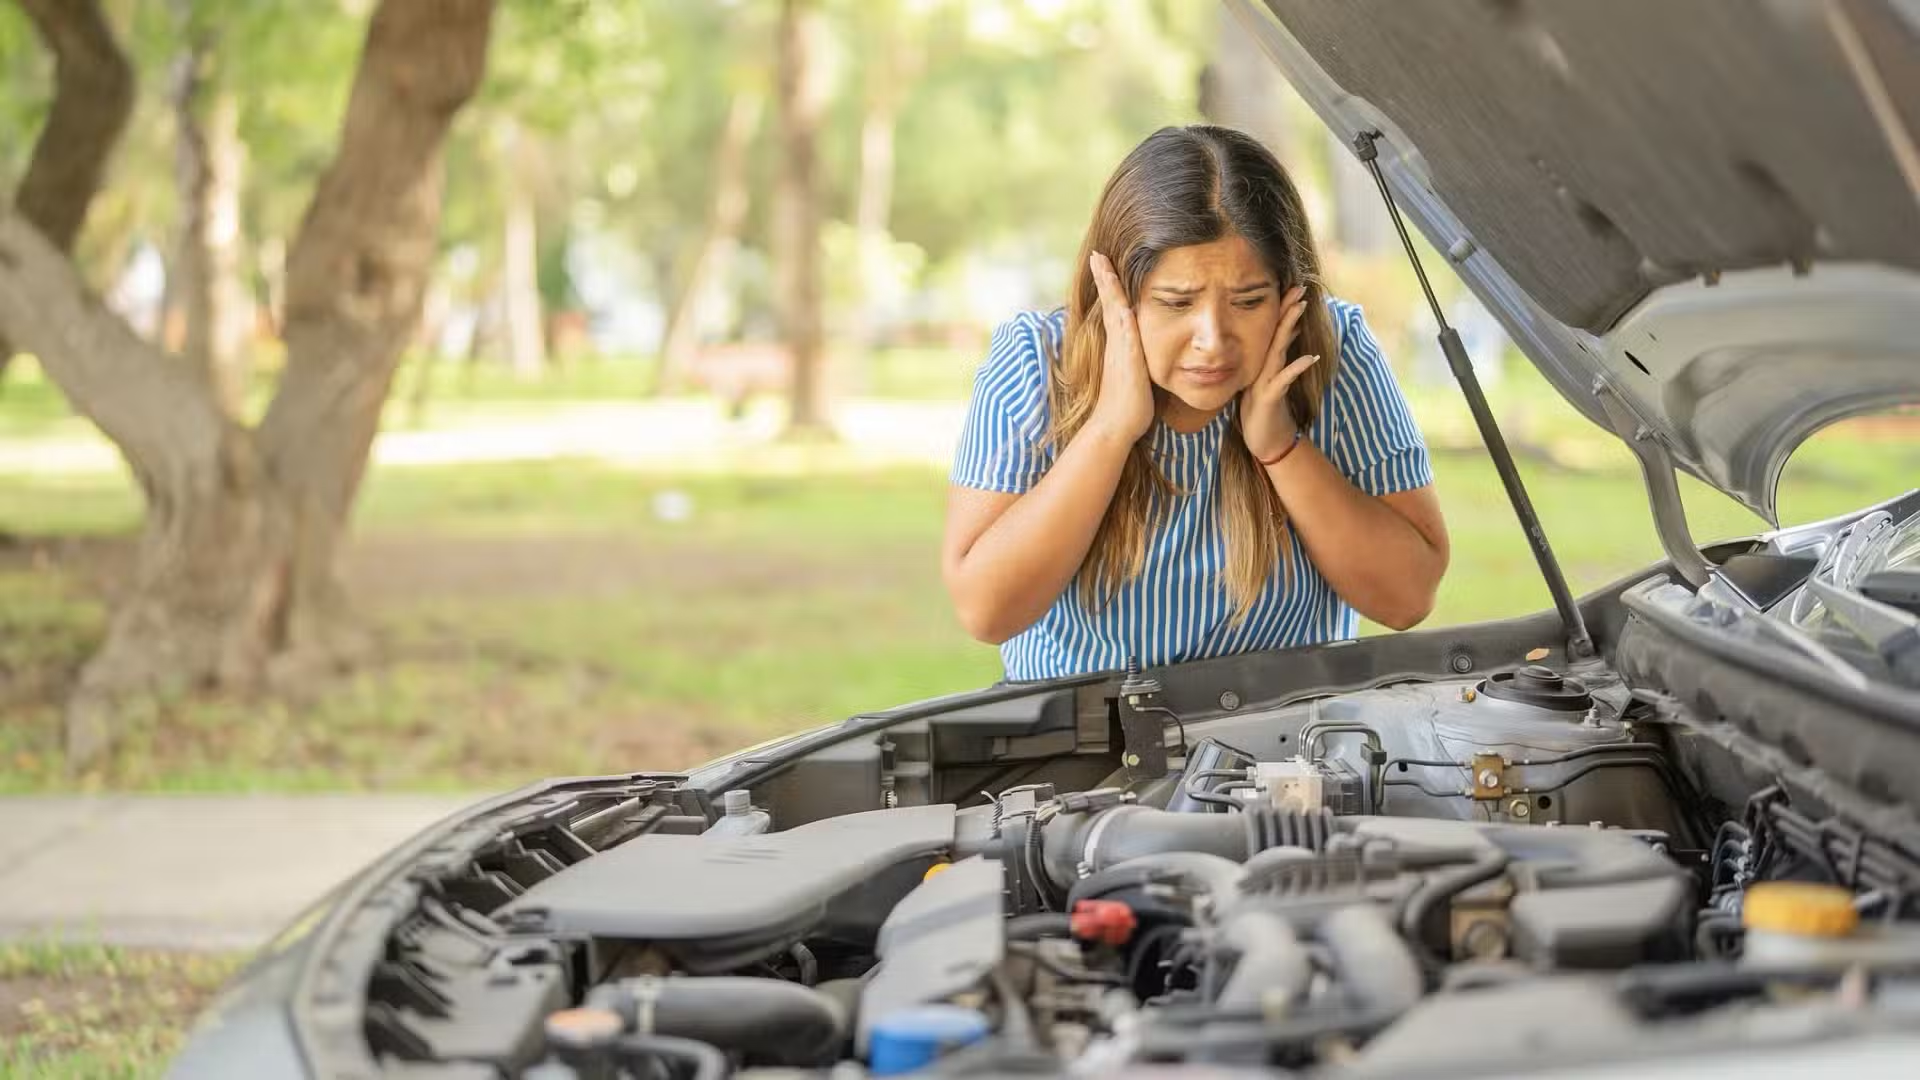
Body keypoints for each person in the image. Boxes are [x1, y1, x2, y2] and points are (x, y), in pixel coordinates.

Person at [942, 125, 1449, 681]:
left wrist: (1281, 448)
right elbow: (987, 611)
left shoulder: (1336, 348)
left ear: (1290, 291)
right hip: (1086, 727)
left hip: (1293, 723)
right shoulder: (1036, 359)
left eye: (1248, 301)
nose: (1213, 340)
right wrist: (1110, 429)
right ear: (1116, 293)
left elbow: (1407, 597)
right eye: (1177, 302)